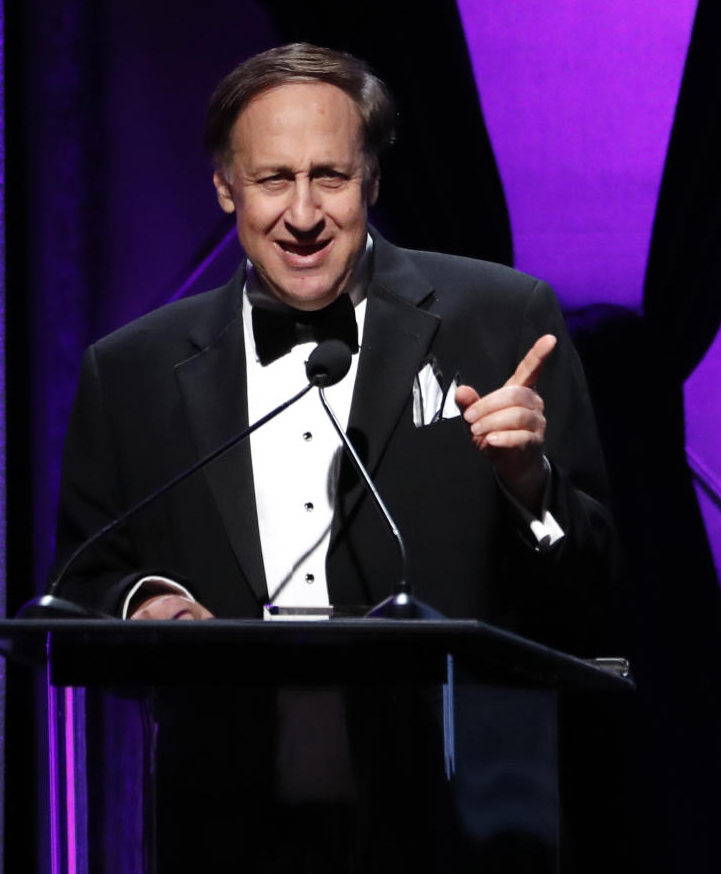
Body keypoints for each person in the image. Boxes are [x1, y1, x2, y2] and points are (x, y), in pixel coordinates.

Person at [51, 43, 617, 871]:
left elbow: (596, 596)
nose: (305, 212)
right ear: (225, 186)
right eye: (274, 178)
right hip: (226, 820)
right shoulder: (131, 370)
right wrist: (145, 606)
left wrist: (530, 488)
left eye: (332, 176)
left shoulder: (500, 319)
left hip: (459, 818)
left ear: (374, 182)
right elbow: (83, 582)